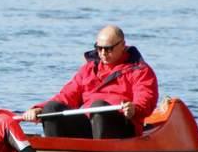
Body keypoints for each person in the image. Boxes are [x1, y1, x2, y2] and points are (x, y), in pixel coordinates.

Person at [21, 25, 158, 139]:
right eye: (99, 48)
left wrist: (134, 108)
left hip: (123, 126)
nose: (103, 53)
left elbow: (146, 99)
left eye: (108, 48)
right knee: (51, 109)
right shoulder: (89, 69)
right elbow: (67, 96)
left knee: (99, 107)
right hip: (90, 124)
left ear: (122, 45)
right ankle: (56, 151)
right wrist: (39, 109)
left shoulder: (140, 70)